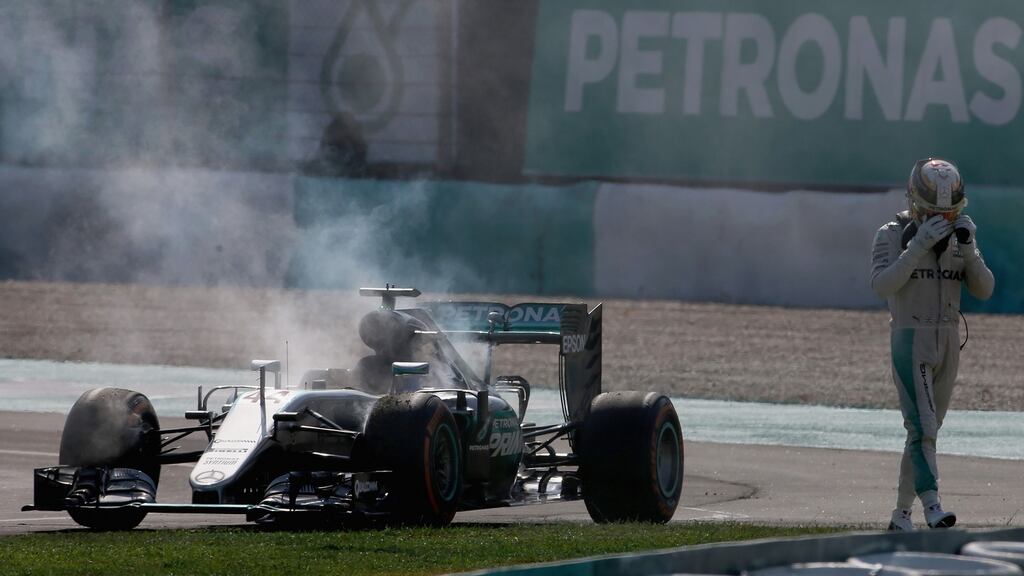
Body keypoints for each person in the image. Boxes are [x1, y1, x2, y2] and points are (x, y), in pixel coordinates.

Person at [870, 158, 995, 531]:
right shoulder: (891, 233)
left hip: (949, 340)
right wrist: (917, 245)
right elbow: (881, 285)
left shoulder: (960, 237)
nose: (942, 219)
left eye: (950, 211)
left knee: (926, 432)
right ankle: (933, 506)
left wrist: (969, 250)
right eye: (933, 211)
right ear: (913, 201)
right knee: (922, 427)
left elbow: (985, 289)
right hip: (910, 337)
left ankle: (900, 515)